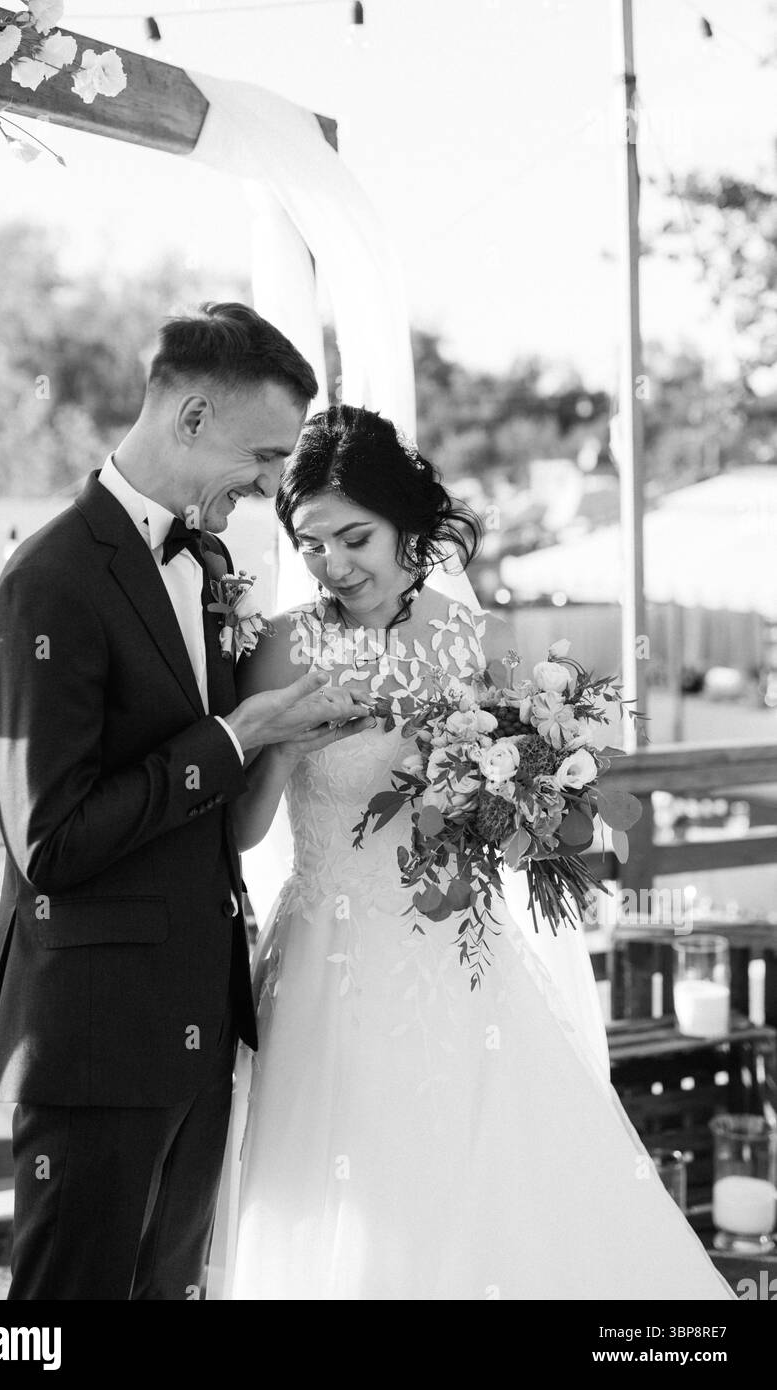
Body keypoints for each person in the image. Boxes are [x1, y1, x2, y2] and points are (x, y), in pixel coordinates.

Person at [213, 403, 735, 1300]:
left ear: (409, 526)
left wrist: (511, 803)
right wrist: (287, 750)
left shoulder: (470, 641)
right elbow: (238, 832)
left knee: (474, 1172)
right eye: (309, 543)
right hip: (323, 956)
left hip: (457, 950)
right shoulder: (281, 645)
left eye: (355, 538)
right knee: (343, 1187)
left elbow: (513, 811)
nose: (333, 566)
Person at [0, 304, 374, 1300]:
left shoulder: (210, 568)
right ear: (192, 417)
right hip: (99, 1038)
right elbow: (51, 840)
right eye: (264, 455)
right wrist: (240, 735)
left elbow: (217, 792)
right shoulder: (46, 581)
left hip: (201, 1020)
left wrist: (276, 742)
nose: (273, 486)